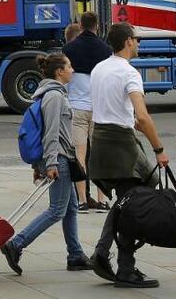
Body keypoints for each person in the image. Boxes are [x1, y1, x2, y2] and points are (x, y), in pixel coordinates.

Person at [88, 22, 169, 289]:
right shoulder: (129, 73)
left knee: (127, 200)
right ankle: (125, 269)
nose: (139, 43)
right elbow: (143, 117)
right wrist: (159, 150)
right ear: (128, 42)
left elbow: (104, 105)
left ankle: (103, 252)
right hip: (121, 143)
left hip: (100, 138)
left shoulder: (100, 68)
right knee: (135, 201)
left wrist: (123, 118)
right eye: (137, 39)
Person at [0, 53, 93, 276]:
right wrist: (48, 164)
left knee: (70, 208)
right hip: (58, 159)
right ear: (59, 72)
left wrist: (38, 165)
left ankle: (75, 254)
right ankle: (16, 244)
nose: (72, 69)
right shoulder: (54, 96)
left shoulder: (51, 94)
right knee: (57, 210)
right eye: (69, 66)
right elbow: (49, 133)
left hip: (60, 158)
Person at [61, 11, 111, 214]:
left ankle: (81, 200)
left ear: (80, 26)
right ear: (96, 26)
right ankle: (102, 200)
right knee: (99, 155)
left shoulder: (69, 48)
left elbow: (66, 76)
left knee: (79, 155)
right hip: (99, 109)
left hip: (77, 108)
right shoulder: (106, 49)